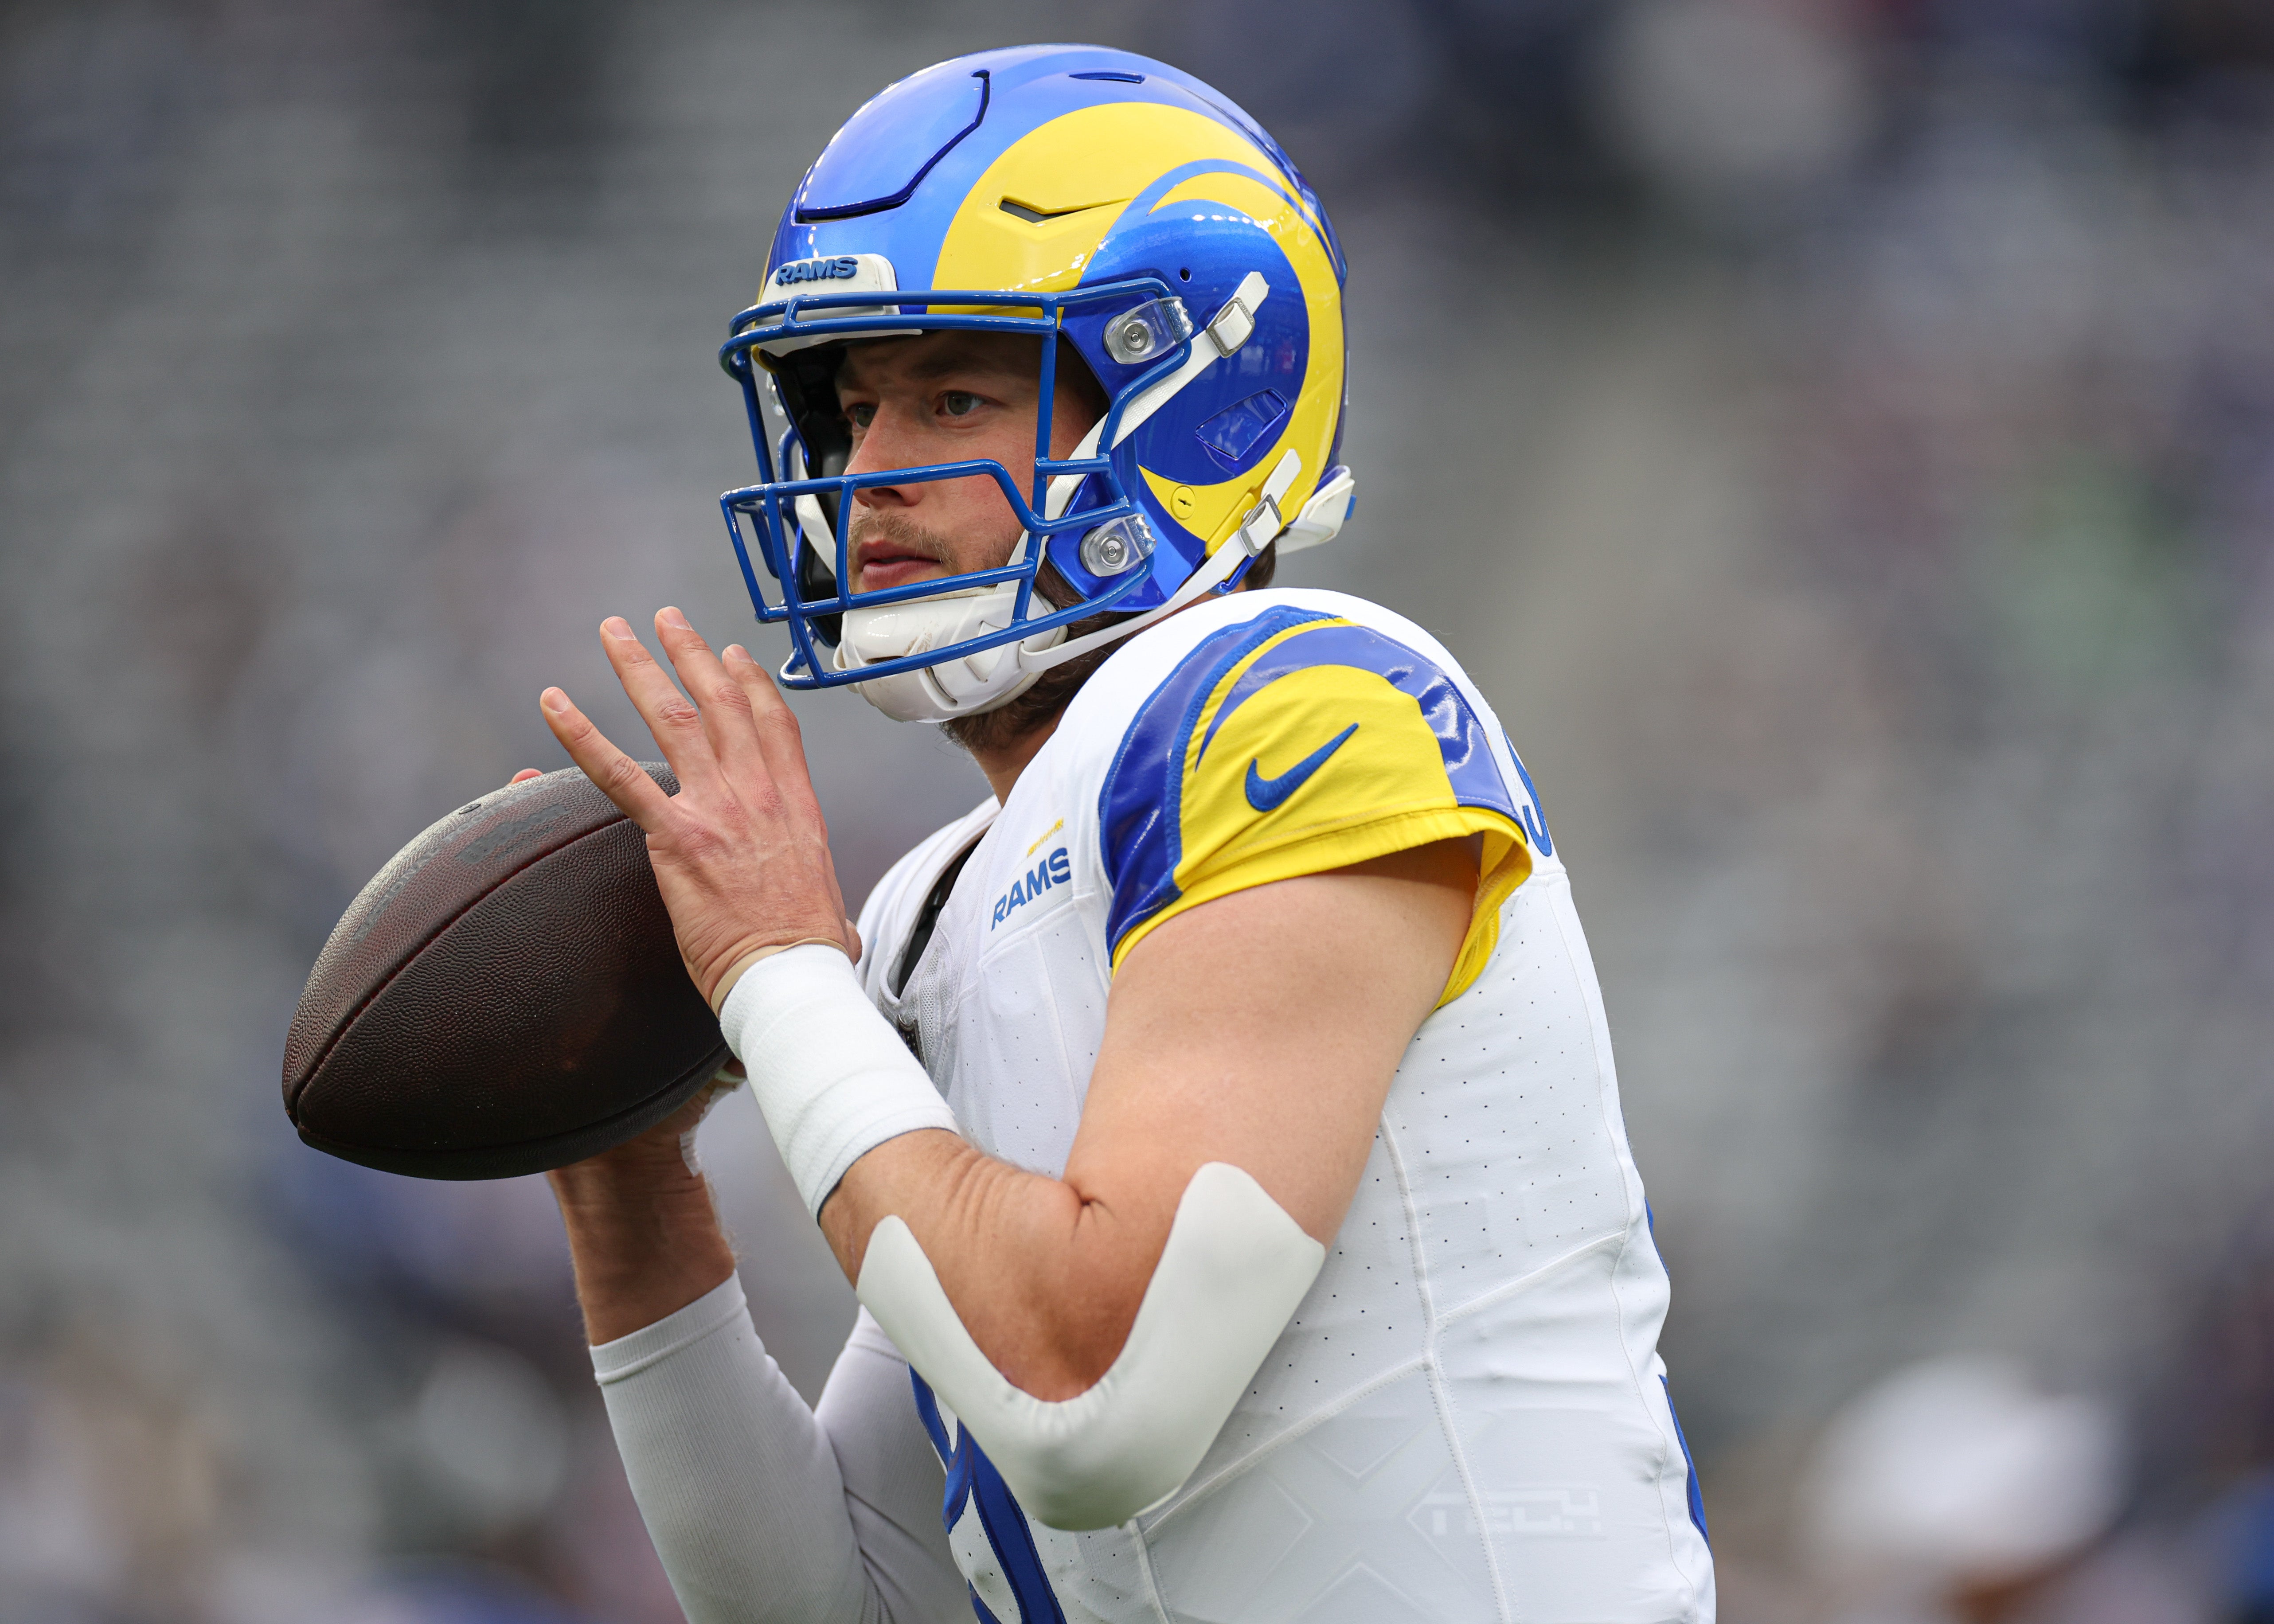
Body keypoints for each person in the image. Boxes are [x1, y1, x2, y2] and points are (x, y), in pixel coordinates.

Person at [528, 44, 1715, 1624]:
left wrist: (771, 968)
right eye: (856, 408)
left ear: (1196, 398)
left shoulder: (1302, 701)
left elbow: (1098, 1401)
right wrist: (626, 1180)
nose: (869, 478)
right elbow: (845, 1596)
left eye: (951, 394)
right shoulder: (937, 910)